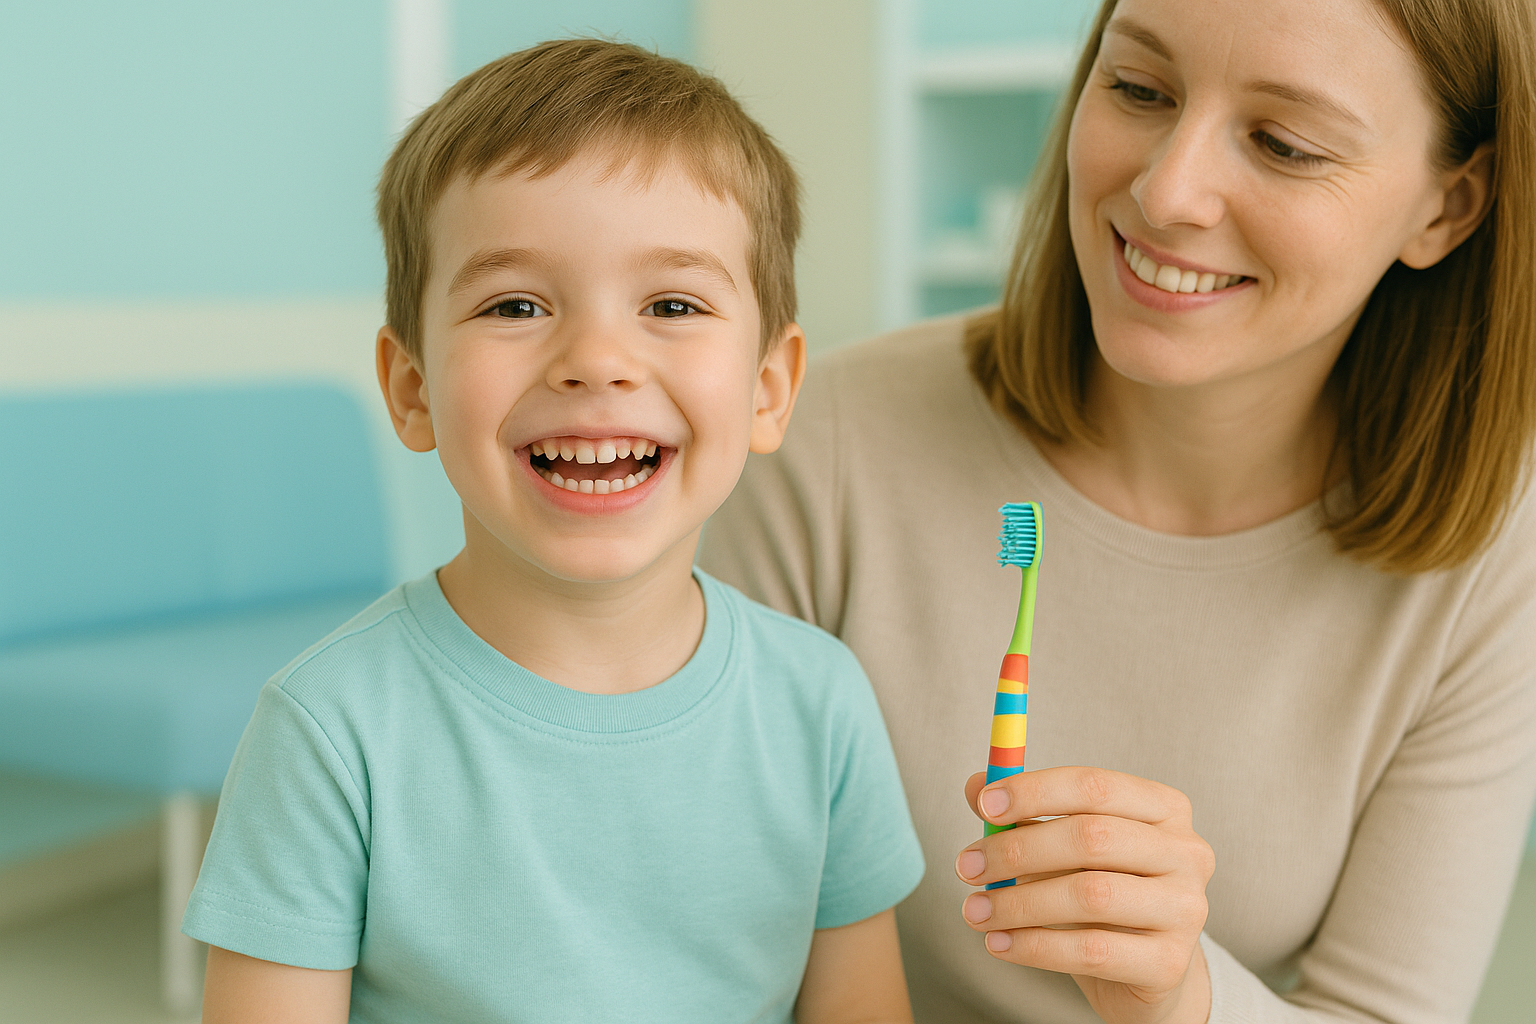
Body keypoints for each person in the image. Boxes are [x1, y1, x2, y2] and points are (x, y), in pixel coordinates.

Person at [700, 0, 1536, 1022]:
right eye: (1138, 88)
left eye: (1285, 144)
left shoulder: (1494, 549)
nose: (1165, 190)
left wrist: (1183, 997)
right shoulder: (818, 448)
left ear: (1447, 209)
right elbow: (685, 943)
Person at [181, 39, 924, 1024]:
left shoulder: (822, 704)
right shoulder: (330, 730)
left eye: (671, 303)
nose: (597, 359)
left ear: (768, 388)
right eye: (517, 304)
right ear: (412, 389)